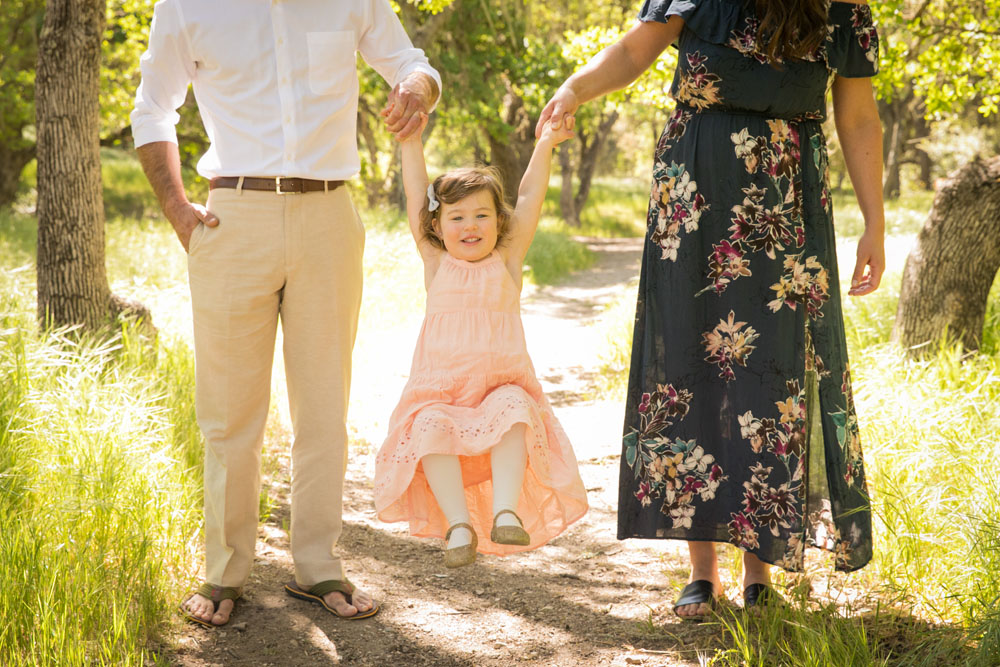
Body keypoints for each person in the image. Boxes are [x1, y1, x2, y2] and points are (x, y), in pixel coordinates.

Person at [538, 0, 885, 618]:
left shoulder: (842, 8)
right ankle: (702, 572)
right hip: (693, 194)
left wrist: (875, 226)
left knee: (775, 377)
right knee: (691, 364)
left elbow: (858, 118)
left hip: (786, 197)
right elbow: (631, 53)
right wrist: (572, 88)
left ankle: (761, 570)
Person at [130, 0, 441, 626]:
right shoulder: (187, 6)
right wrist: (177, 209)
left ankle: (318, 565)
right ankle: (223, 572)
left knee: (324, 405)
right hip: (231, 214)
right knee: (228, 411)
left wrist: (416, 87)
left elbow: (413, 62)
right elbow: (152, 109)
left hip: (329, 214)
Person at [373, 113, 589, 567]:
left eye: (481, 215)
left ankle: (506, 511)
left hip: (499, 387)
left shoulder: (507, 259)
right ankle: (458, 525)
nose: (470, 226)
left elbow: (529, 197)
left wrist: (546, 144)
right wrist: (409, 142)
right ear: (436, 226)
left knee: (515, 411)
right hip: (442, 390)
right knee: (428, 428)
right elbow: (416, 194)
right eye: (457, 217)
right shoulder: (436, 262)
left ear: (498, 221)